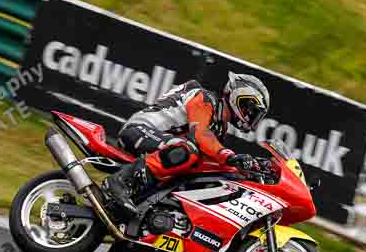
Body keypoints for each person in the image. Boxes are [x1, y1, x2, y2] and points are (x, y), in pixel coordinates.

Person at [102, 72, 270, 214]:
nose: (250, 116)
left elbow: (213, 161)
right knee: (187, 150)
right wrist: (229, 155)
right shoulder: (205, 98)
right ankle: (119, 182)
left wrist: (251, 168)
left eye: (255, 114)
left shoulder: (220, 127)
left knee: (200, 169)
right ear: (237, 98)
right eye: (250, 109)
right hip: (139, 130)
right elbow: (200, 135)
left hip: (161, 144)